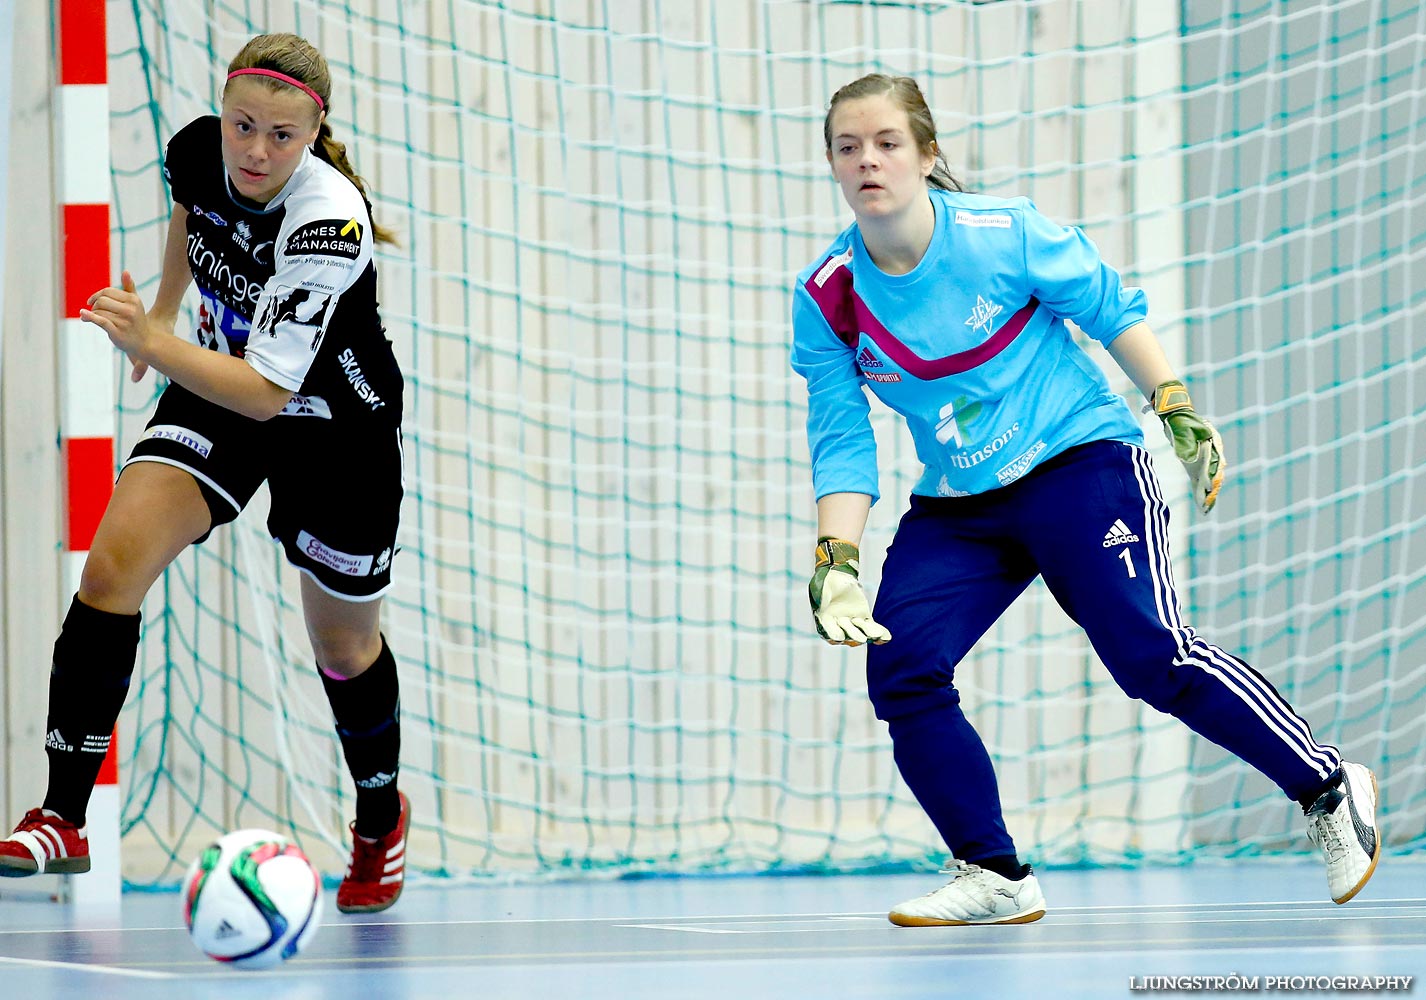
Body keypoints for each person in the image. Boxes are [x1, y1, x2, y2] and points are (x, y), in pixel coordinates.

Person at [791, 73, 1380, 926]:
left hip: (1078, 461)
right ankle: (994, 874)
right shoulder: (828, 297)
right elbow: (840, 435)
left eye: (887, 143)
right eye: (849, 148)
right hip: (962, 504)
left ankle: (1328, 789)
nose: (868, 160)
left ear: (926, 155)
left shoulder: (1002, 234)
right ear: (834, 167)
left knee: (1150, 655)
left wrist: (1173, 404)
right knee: (903, 666)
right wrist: (834, 560)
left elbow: (1108, 308)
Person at [0, 33, 411, 913]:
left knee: (341, 651)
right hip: (219, 384)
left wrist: (153, 343)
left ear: (314, 134)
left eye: (282, 137)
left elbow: (270, 394)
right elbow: (195, 213)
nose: (256, 151)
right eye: (242, 127)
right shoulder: (197, 149)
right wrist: (162, 313)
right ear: (222, 115)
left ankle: (379, 816)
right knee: (110, 570)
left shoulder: (326, 220)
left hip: (334, 424)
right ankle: (61, 817)